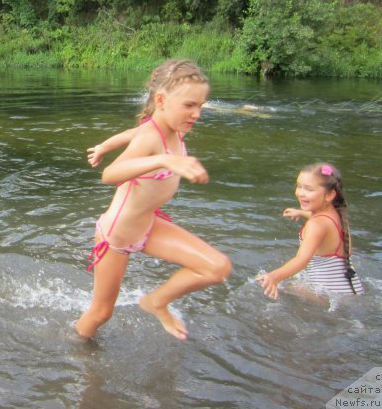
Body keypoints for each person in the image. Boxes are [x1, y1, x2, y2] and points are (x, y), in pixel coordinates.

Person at [76, 59, 232, 341]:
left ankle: (156, 301)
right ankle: (76, 350)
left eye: (201, 105)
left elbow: (130, 133)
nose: (196, 113)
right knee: (101, 313)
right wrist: (163, 159)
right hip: (118, 235)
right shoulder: (152, 138)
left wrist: (104, 145)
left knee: (217, 267)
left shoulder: (175, 128)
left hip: (148, 225)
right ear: (161, 100)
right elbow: (110, 175)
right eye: (189, 105)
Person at [256, 163, 364, 299]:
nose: (300, 193)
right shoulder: (337, 215)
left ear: (330, 195)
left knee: (279, 288)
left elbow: (302, 260)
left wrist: (274, 277)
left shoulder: (316, 225)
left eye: (309, 189)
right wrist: (301, 212)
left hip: (328, 295)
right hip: (351, 288)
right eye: (299, 186)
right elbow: (322, 222)